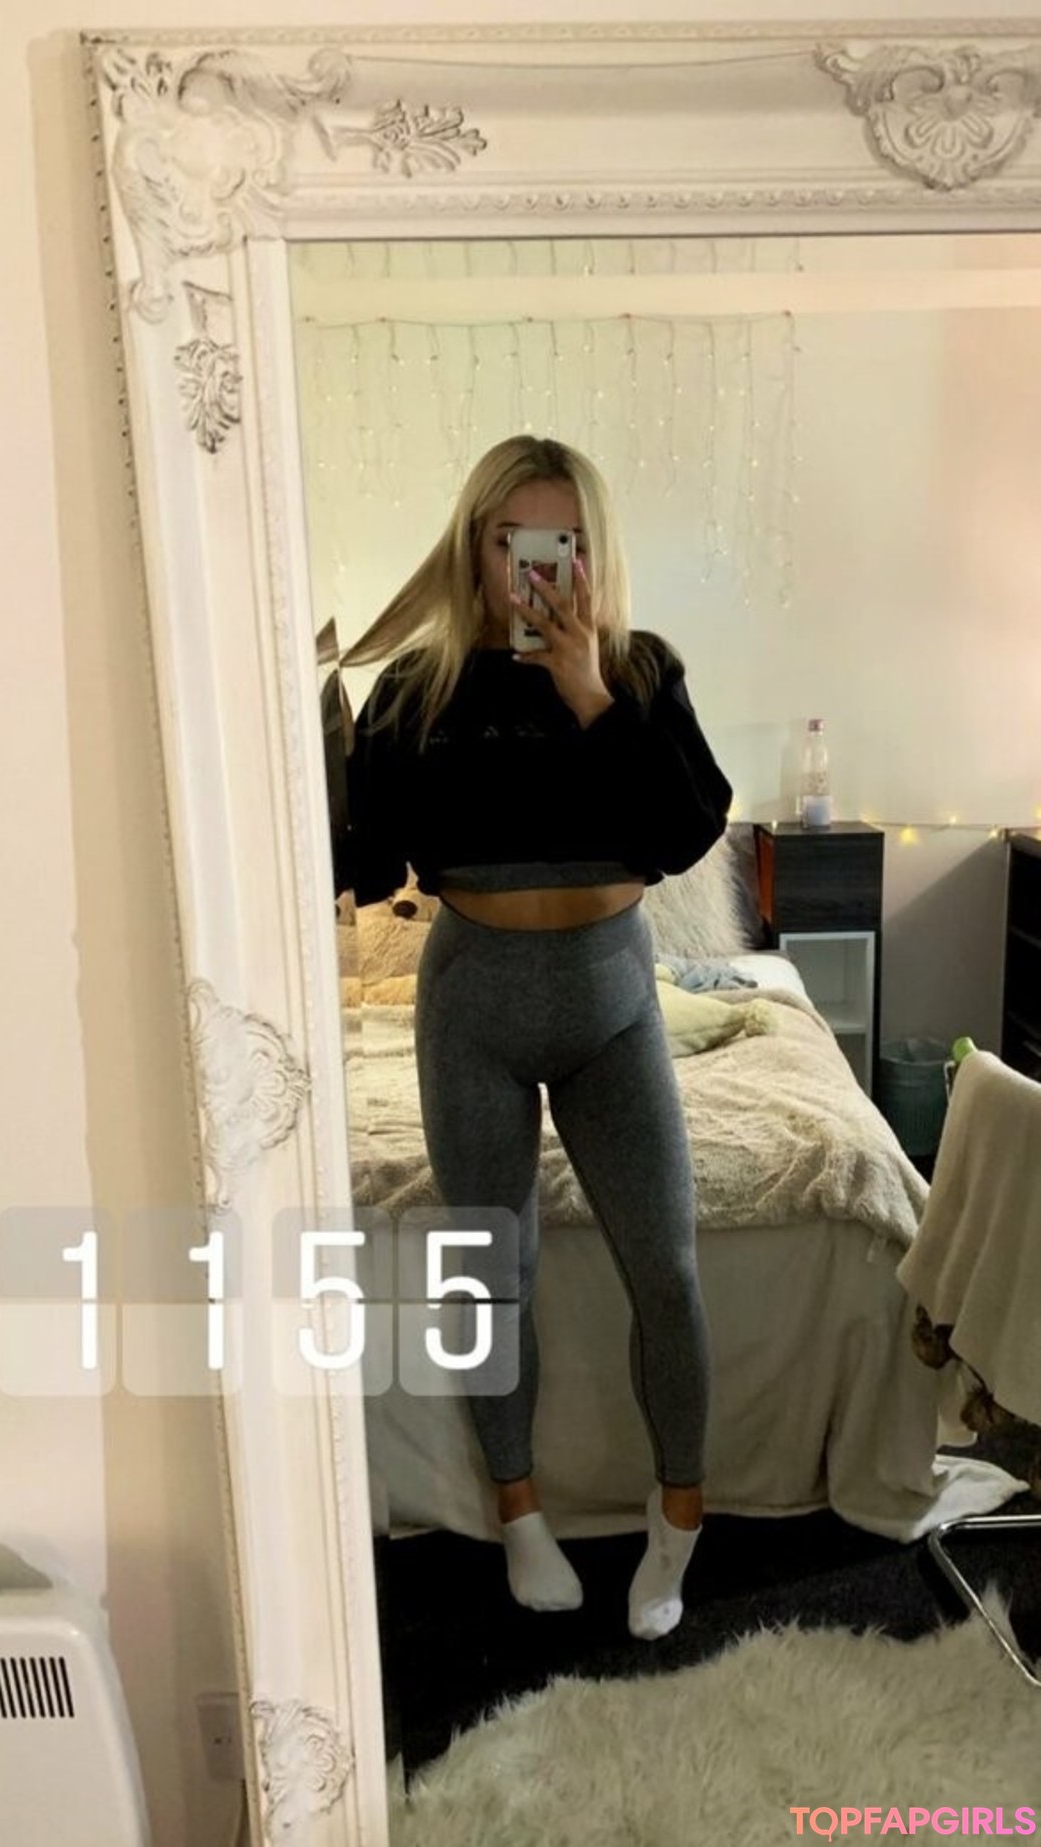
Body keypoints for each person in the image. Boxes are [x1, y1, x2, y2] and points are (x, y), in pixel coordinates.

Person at [343, 435, 733, 1639]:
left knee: (666, 1266)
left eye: (560, 541)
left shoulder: (642, 672)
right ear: (479, 545)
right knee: (489, 1268)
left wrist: (592, 698)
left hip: (613, 994)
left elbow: (686, 830)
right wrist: (313, 748)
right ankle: (519, 1514)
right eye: (514, 539)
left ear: (591, 549)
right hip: (476, 1003)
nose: (537, 568)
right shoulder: (416, 690)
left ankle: (678, 1519)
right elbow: (368, 862)